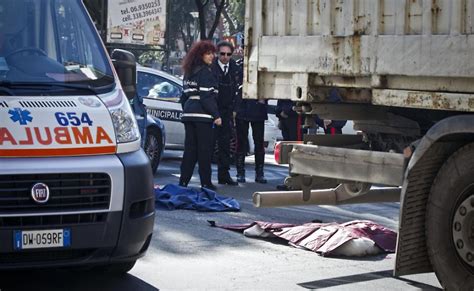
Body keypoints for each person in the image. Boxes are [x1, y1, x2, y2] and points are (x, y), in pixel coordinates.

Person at [178, 40, 222, 191]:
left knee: (190, 150)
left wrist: (188, 111)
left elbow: (183, 97)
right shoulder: (205, 72)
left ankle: (183, 181)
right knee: (205, 150)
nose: (212, 57)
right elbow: (206, 97)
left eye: (213, 53)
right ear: (200, 55)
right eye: (209, 54)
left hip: (189, 115)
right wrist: (216, 115)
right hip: (202, 116)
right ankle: (206, 183)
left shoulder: (188, 73)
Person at [234, 59, 268, 184]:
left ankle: (259, 173)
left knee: (258, 143)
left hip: (257, 109)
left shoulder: (262, 64)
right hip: (242, 108)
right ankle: (240, 172)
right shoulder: (239, 65)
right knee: (241, 143)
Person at [211, 41, 239, 186]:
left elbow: (239, 90)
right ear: (217, 54)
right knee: (209, 144)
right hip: (213, 112)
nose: (225, 57)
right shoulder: (211, 68)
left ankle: (224, 175)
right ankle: (206, 178)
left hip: (227, 111)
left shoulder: (235, 68)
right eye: (222, 54)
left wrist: (234, 110)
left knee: (225, 145)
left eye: (228, 54)